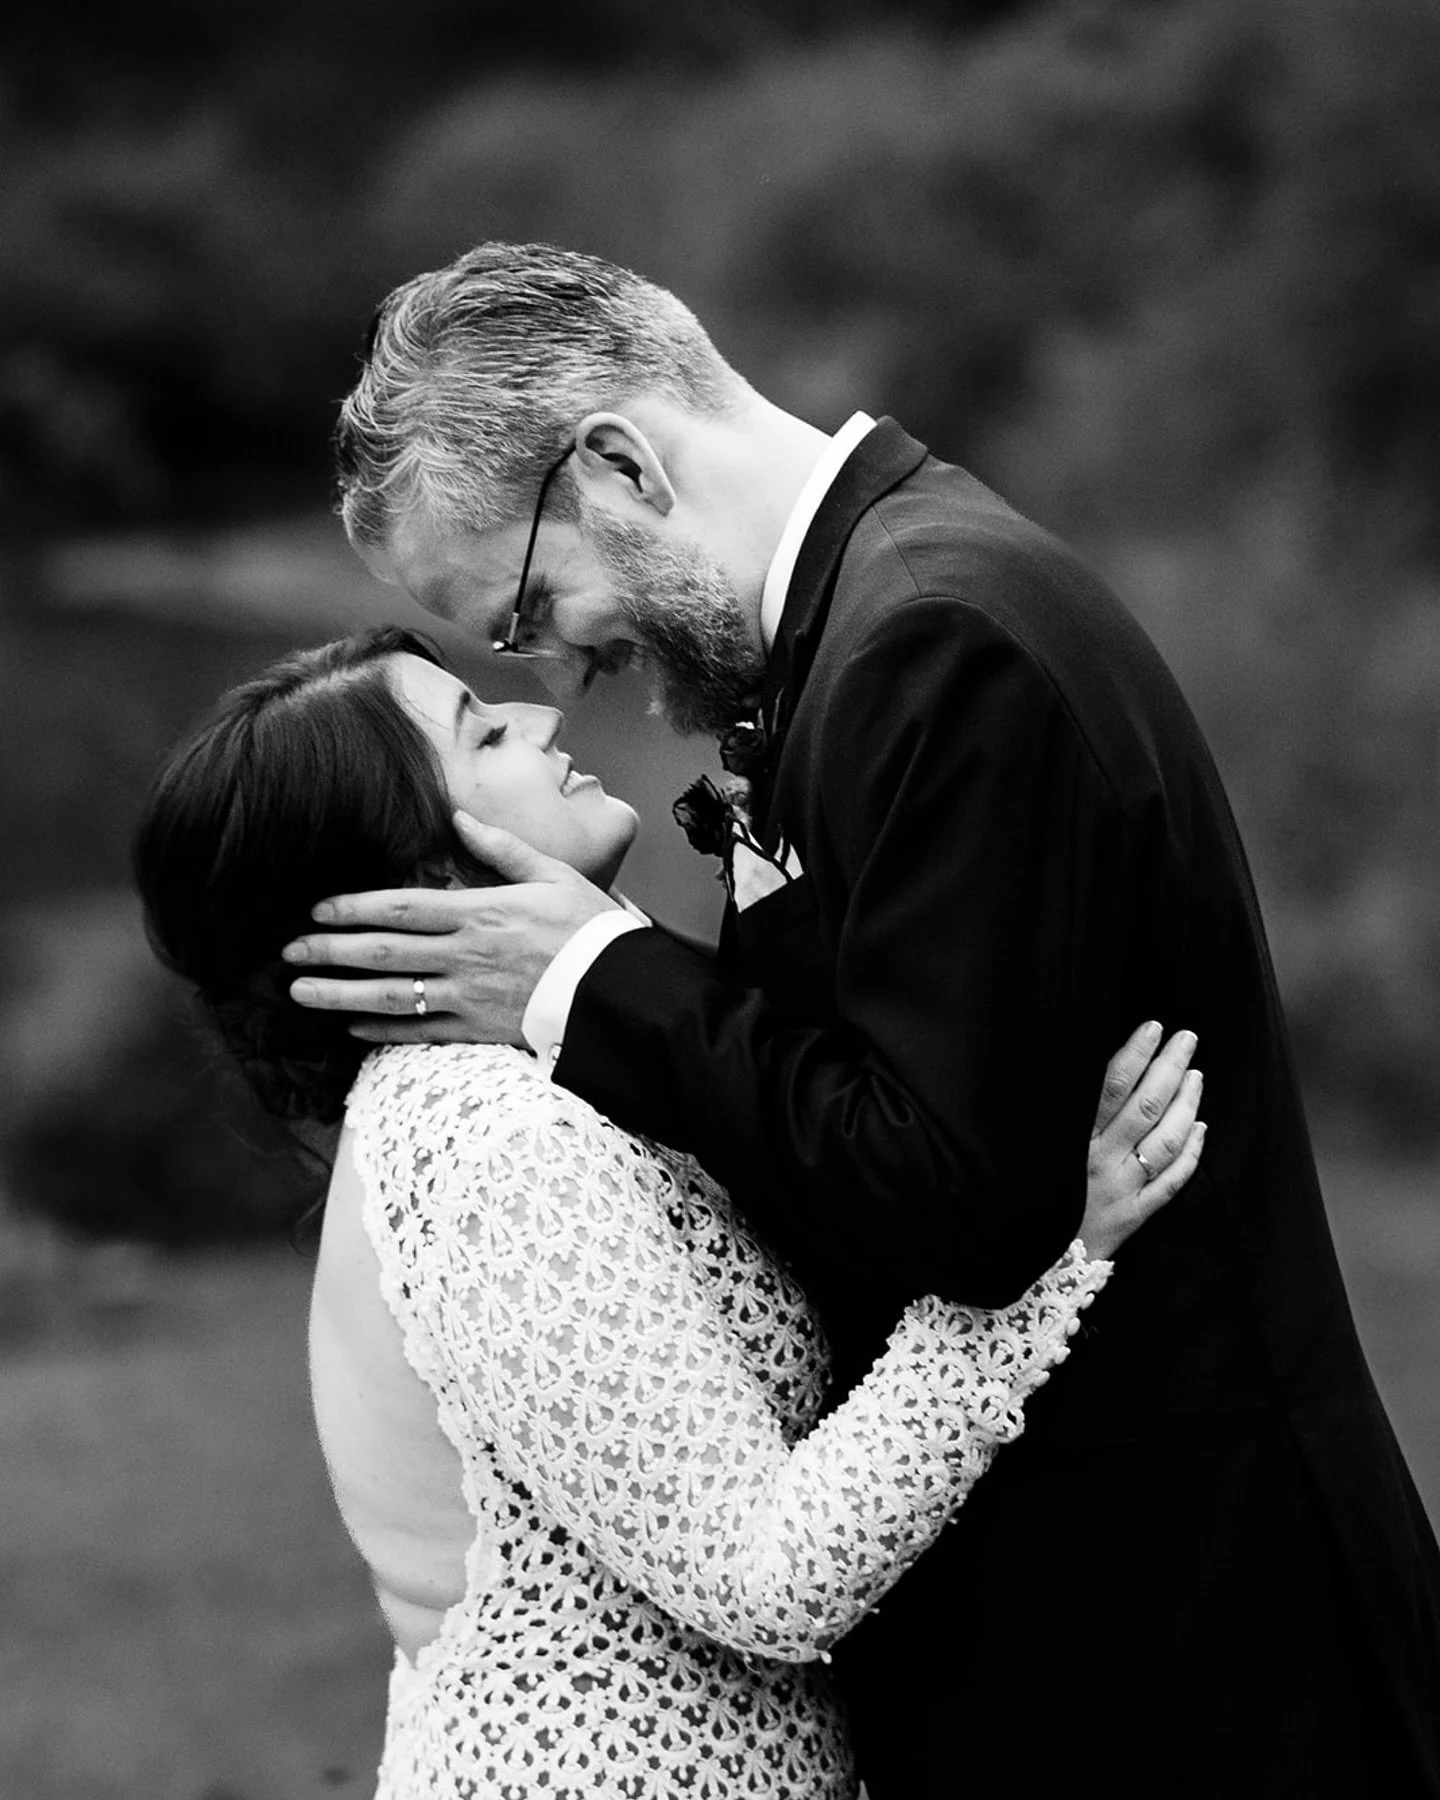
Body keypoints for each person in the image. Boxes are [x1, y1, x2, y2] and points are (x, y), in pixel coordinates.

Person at [285, 242, 1440, 1798]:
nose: (564, 675)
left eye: (530, 605)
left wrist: (591, 982)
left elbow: (961, 1197)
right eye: (512, 652)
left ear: (619, 463)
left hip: (1186, 1625)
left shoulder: (934, 641)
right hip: (1083, 1615)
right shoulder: (858, 636)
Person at [134, 628, 1203, 1800]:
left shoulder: (527, 1082)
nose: (543, 722)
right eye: (486, 735)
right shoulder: (496, 1147)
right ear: (413, 886)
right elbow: (768, 1576)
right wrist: (1047, 1262)